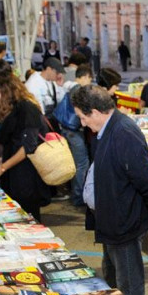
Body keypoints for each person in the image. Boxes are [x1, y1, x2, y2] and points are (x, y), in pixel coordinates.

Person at [74, 85, 148, 295]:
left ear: (95, 112)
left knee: (130, 288)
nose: (82, 123)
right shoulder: (107, 131)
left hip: (123, 222)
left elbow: (145, 179)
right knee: (115, 280)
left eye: (83, 117)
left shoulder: (124, 133)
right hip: (111, 221)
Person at [0, 72, 51, 221]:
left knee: (28, 219)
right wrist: (0, 161)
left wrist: (2, 167)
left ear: (7, 91)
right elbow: (14, 144)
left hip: (26, 178)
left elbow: (28, 147)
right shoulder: (16, 109)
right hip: (15, 175)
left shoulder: (27, 108)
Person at [55, 65, 93, 207]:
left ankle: (75, 193)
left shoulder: (69, 87)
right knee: (82, 163)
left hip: (67, 129)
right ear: (85, 77)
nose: (90, 82)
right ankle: (78, 196)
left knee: (77, 163)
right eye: (90, 78)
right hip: (74, 131)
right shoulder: (78, 90)